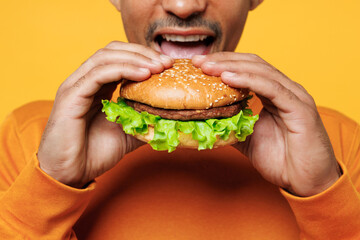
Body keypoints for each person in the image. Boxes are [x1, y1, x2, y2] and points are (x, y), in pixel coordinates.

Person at [0, 0, 359, 239]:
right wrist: (51, 185)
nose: (184, 5)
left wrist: (323, 196)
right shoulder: (28, 138)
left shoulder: (338, 145)